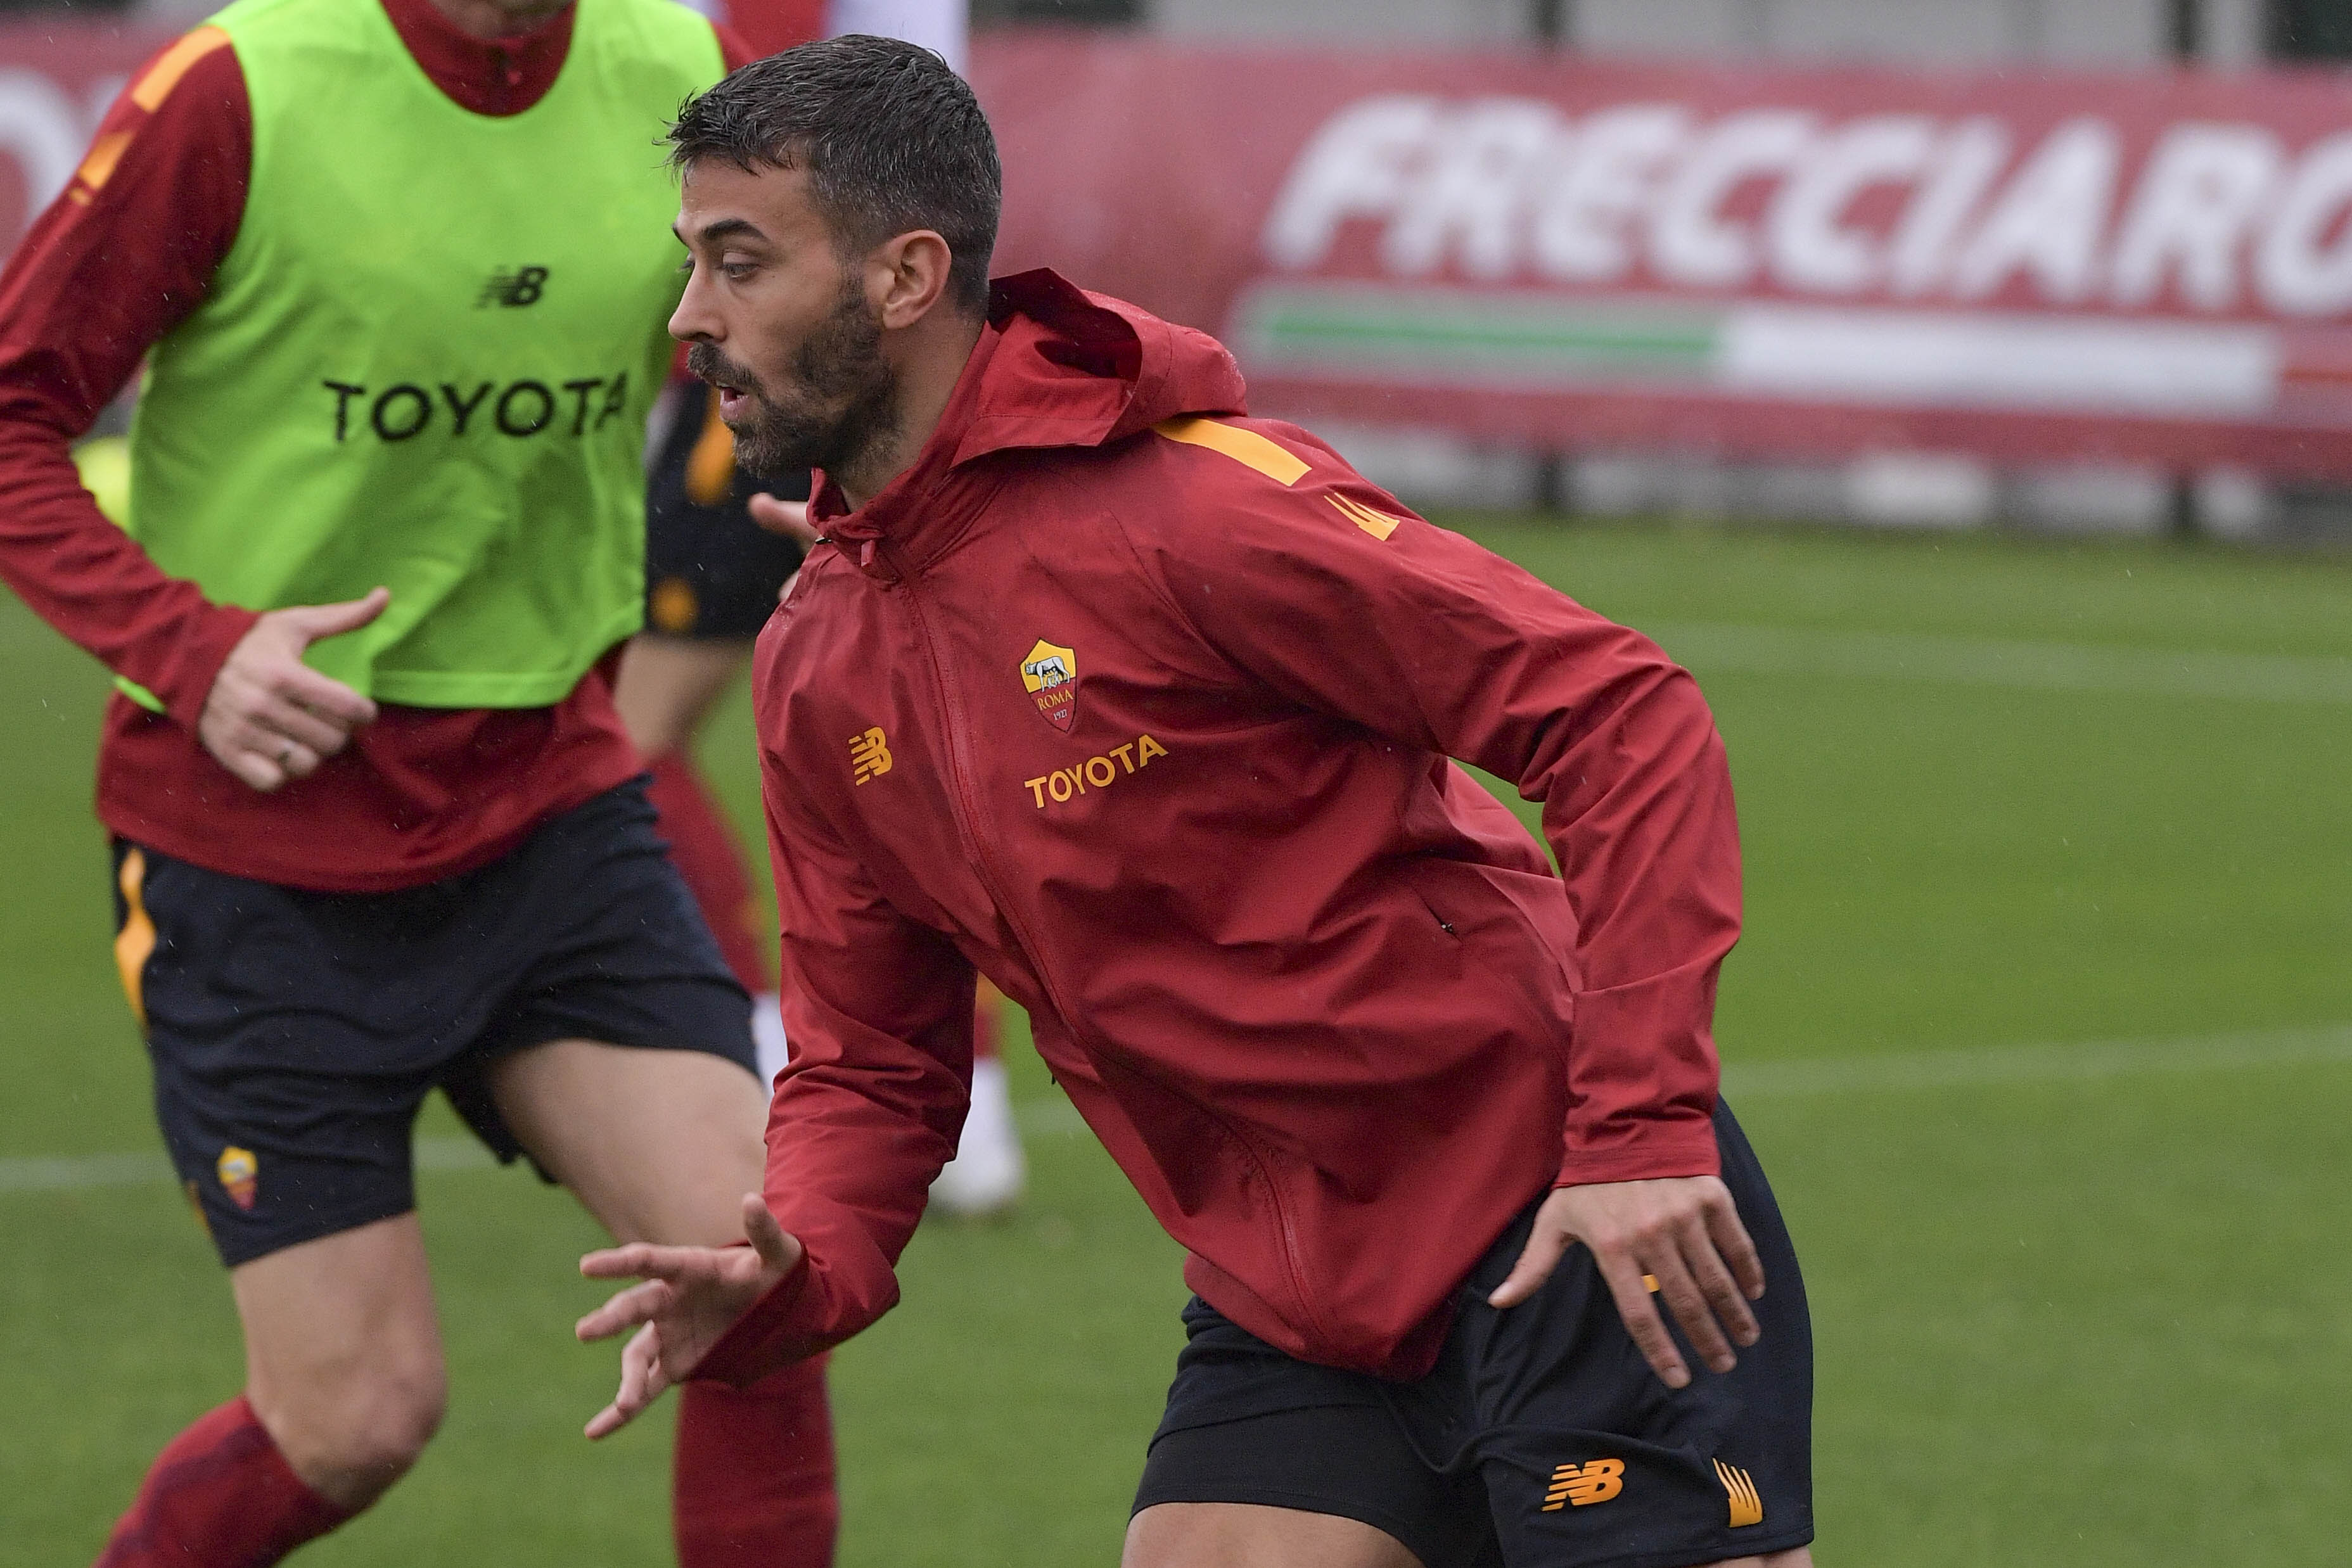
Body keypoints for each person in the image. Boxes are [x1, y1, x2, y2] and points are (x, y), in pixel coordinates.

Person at [577, 35, 1817, 1568]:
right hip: (1288, 1295)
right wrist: (796, 1270)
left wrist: (1635, 1135)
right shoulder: (818, 660)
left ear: (904, 278)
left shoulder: (1196, 513)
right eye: (691, 263)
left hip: (1563, 1208)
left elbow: (1619, 713)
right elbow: (876, 1067)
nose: (692, 318)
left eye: (738, 261)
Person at [0, 1, 839, 1562]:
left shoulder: (675, 65)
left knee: (761, 1276)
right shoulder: (245, 88)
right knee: (358, 1416)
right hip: (254, 844)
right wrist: (193, 648)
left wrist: (872, 478)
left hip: (547, 801)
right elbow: (12, 412)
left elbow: (797, 335)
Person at [618, 373, 1026, 1213]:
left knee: (639, 740)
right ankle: (968, 1099)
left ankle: (759, 1042)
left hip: (758, 419)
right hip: (882, 409)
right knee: (908, 748)